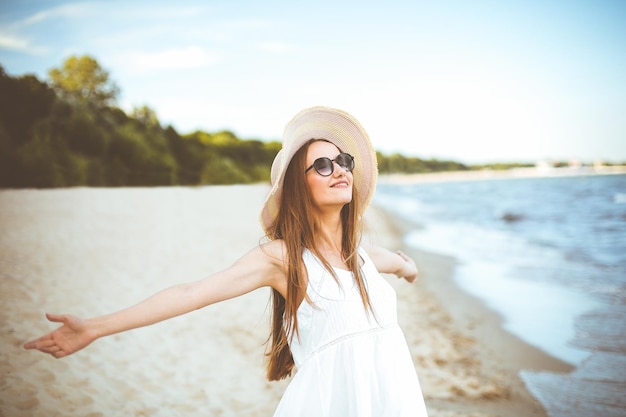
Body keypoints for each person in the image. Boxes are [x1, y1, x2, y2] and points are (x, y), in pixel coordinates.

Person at [24, 106, 429, 416]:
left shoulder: (359, 258)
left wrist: (406, 267)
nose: (338, 169)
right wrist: (94, 328)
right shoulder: (282, 258)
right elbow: (191, 293)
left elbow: (386, 261)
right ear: (297, 185)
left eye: (344, 162)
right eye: (322, 165)